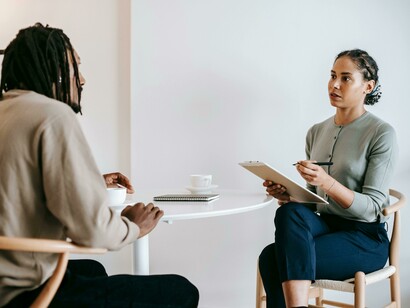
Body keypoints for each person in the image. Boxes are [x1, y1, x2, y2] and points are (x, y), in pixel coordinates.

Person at [0, 23, 199, 307]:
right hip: (23, 292)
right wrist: (132, 226)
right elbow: (93, 232)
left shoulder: (7, 111)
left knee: (94, 271)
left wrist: (89, 179)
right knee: (181, 291)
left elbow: (18, 186)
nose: (81, 79)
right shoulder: (52, 116)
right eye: (74, 67)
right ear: (54, 71)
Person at [258, 49, 398, 308]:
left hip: (365, 239)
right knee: (288, 213)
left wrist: (328, 183)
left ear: (368, 86)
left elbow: (372, 210)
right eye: (333, 76)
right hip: (328, 227)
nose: (334, 84)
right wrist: (288, 195)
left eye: (346, 78)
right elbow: (314, 204)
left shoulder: (381, 134)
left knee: (272, 258)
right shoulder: (316, 132)